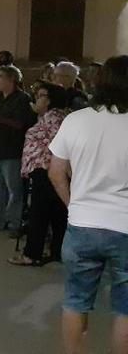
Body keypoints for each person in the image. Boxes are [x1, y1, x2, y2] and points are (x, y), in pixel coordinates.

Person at [48, 55, 128, 354]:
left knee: (76, 301)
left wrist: (74, 205)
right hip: (124, 226)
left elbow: (56, 172)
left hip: (83, 224)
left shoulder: (76, 120)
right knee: (125, 309)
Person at [8, 81, 70, 267]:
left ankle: (32, 253)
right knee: (56, 213)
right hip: (46, 170)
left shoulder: (53, 118)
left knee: (39, 213)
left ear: (51, 100)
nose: (37, 98)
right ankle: (57, 251)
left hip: (47, 170)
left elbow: (57, 147)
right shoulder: (49, 117)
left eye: (42, 95)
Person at [0, 65, 36, 234]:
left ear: (12, 80)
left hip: (12, 149)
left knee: (14, 189)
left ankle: (15, 222)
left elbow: (19, 124)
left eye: (0, 77)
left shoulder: (22, 99)